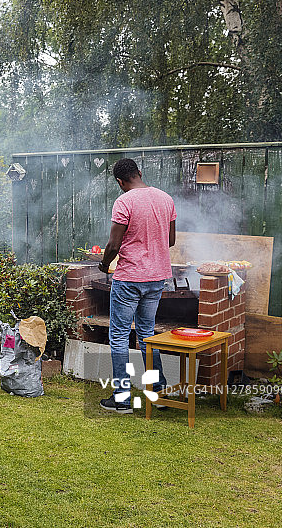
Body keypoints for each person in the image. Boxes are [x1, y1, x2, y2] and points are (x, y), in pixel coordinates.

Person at [98, 158, 176, 414]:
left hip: (130, 278)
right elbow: (170, 240)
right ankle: (159, 393)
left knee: (119, 336)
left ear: (120, 182)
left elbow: (113, 245)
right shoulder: (166, 199)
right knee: (147, 335)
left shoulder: (124, 201)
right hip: (157, 278)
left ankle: (121, 399)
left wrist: (104, 264)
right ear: (140, 172)